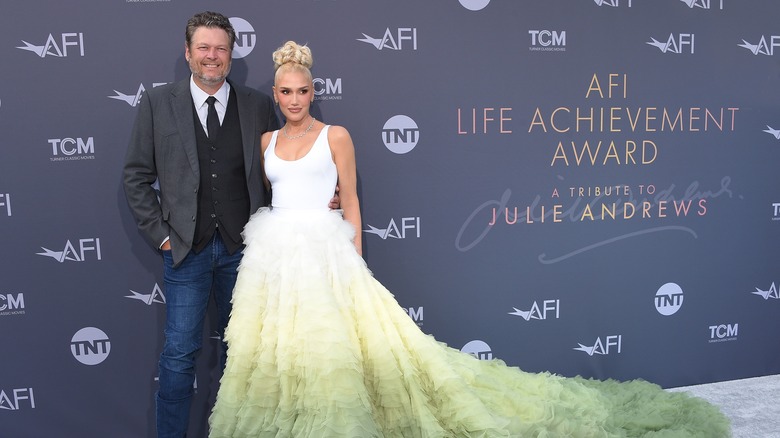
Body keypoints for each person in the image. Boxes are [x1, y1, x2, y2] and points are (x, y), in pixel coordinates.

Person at [208, 41, 731, 437]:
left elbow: (351, 200)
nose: (294, 99)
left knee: (338, 350)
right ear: (274, 95)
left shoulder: (336, 135)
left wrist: (355, 258)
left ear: (313, 92)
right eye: (285, 91)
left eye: (302, 91)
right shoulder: (266, 140)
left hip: (327, 254)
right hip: (275, 258)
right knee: (277, 352)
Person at [122, 11, 280, 438]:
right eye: (204, 48)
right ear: (188, 53)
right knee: (178, 357)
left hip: (243, 252)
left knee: (245, 357)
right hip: (185, 251)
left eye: (221, 49)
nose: (213, 57)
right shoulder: (158, 102)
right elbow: (136, 175)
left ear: (231, 55)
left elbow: (280, 171)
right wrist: (161, 236)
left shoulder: (258, 105)